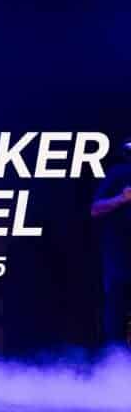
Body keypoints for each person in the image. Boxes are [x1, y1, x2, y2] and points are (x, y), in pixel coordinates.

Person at [91, 138, 131, 347]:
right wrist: (122, 199)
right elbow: (95, 209)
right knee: (116, 319)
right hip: (121, 264)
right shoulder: (119, 174)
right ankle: (114, 368)